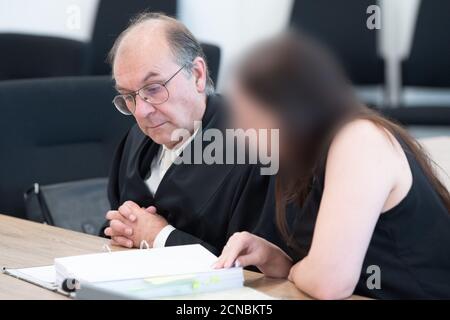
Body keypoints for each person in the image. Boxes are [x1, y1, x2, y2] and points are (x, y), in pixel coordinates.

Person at [214, 31, 450, 299]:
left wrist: (301, 272)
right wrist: (275, 259)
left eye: (251, 119)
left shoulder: (359, 139)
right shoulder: (306, 159)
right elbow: (324, 269)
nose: (244, 133)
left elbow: (329, 282)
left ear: (289, 109)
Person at [103, 12, 283, 255]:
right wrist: (118, 230)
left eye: (154, 89)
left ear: (197, 75)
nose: (142, 111)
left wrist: (160, 237)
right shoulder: (135, 141)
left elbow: (256, 267)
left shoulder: (255, 149)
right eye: (128, 96)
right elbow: (115, 224)